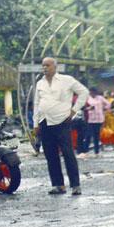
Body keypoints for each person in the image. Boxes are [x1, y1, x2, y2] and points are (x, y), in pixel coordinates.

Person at [32, 57, 89, 195]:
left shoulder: (66, 80)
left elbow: (84, 92)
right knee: (50, 155)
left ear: (55, 66)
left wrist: (74, 110)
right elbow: (36, 104)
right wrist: (35, 123)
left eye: (48, 65)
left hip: (62, 121)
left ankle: (75, 185)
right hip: (44, 122)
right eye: (43, 65)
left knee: (68, 153)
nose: (45, 68)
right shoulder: (40, 83)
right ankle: (58, 185)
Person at [83, 88, 110, 156]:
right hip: (90, 119)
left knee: (96, 136)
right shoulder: (87, 98)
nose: (93, 94)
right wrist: (88, 108)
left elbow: (108, 104)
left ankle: (96, 152)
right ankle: (85, 151)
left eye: (94, 92)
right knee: (88, 135)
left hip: (99, 119)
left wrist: (104, 108)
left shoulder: (100, 98)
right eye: (91, 92)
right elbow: (83, 107)